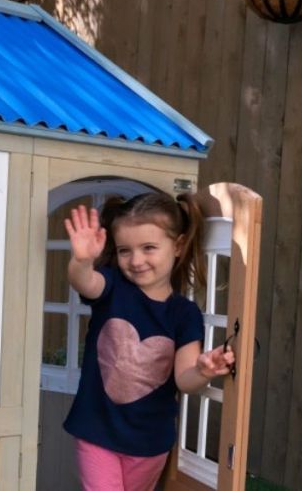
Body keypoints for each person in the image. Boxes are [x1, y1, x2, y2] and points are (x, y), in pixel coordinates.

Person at [62, 193, 235, 491]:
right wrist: (82, 261)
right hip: (96, 431)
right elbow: (84, 281)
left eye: (149, 248)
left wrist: (204, 370)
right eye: (125, 250)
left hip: (150, 442)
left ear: (177, 246)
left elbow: (184, 379)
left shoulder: (183, 314)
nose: (136, 260)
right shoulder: (112, 286)